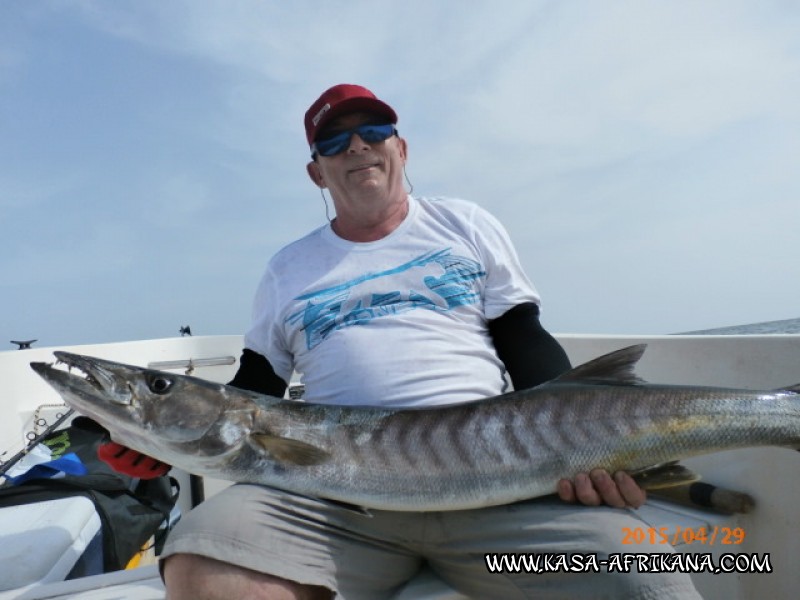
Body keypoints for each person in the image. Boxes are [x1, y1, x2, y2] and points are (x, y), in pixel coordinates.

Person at [101, 84, 700, 599]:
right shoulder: (288, 269)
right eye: (334, 142)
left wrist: (584, 448)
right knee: (201, 566)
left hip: (506, 486)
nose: (356, 146)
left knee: (652, 579)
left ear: (400, 148)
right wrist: (159, 441)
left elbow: (528, 346)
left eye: (374, 131)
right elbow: (254, 394)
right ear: (317, 171)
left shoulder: (463, 224)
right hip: (330, 502)